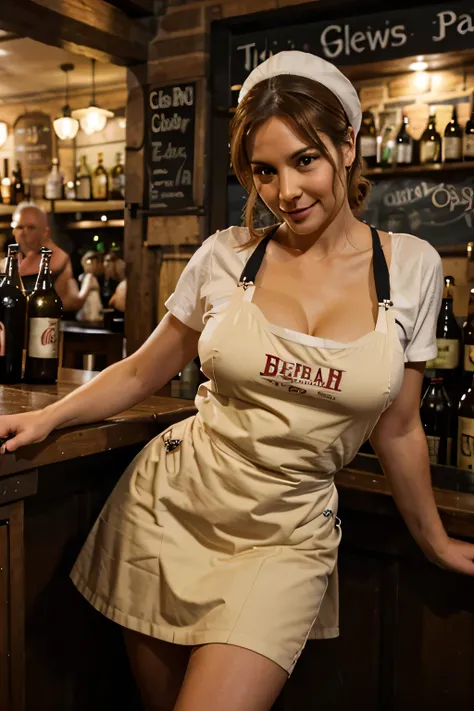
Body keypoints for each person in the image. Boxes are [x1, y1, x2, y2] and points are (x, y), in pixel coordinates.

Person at [0, 51, 473, 711]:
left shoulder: (413, 266)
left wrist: (436, 541)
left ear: (347, 146)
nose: (287, 192)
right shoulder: (226, 255)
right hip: (170, 514)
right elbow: (143, 368)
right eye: (265, 171)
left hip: (287, 537)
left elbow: (399, 425)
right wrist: (47, 417)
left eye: (304, 159)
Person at [6, 203, 94, 312]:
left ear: (45, 232)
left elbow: (69, 303)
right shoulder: (14, 258)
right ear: (13, 230)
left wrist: (86, 287)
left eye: (31, 227)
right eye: (19, 227)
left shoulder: (58, 258)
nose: (23, 232)